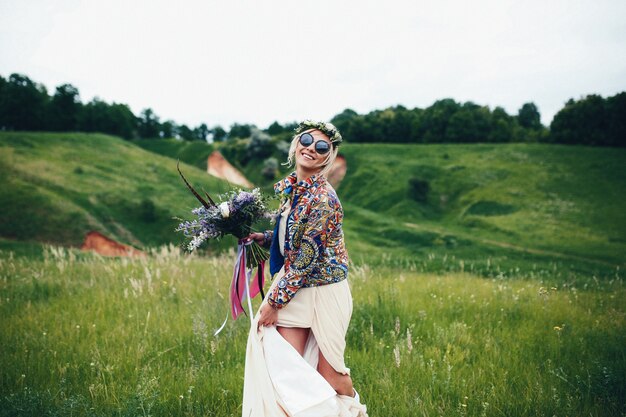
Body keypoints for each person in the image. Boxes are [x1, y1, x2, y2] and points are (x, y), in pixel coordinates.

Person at [241, 120, 368, 417]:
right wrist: (265, 237)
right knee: (286, 368)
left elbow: (307, 256)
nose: (311, 148)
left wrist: (273, 303)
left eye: (321, 146)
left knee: (330, 375)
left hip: (325, 292)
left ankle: (353, 412)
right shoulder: (295, 190)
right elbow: (296, 238)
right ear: (296, 143)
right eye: (307, 140)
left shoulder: (324, 199)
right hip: (297, 288)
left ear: (328, 156)